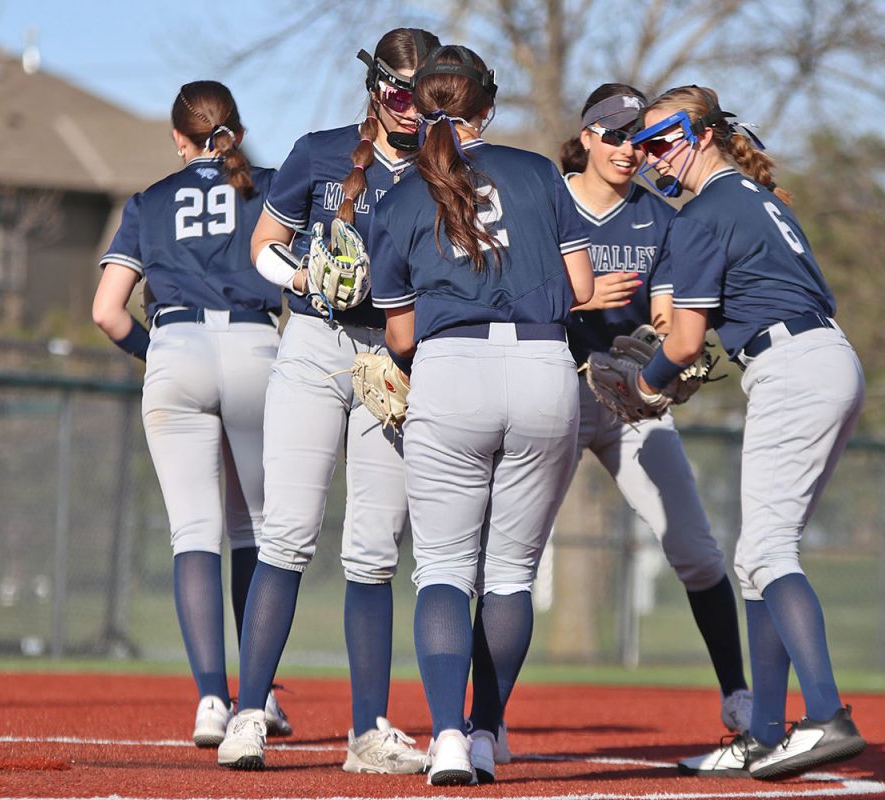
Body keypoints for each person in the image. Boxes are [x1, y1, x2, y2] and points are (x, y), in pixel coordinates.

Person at [368, 44, 594, 786]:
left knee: (441, 568)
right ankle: (491, 731)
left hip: (451, 368)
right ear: (487, 108)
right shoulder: (537, 172)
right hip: (542, 368)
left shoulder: (400, 195)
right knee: (510, 574)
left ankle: (450, 740)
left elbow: (399, 334)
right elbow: (582, 285)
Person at [215, 28, 440, 773]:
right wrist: (306, 277)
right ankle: (248, 714)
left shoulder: (450, 170)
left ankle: (367, 732)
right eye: (403, 93)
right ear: (376, 88)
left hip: (394, 356)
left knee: (374, 552)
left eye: (431, 95)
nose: (415, 110)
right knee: (288, 534)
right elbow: (264, 247)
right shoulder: (319, 151)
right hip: (314, 345)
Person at [628, 85, 867, 780]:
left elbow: (685, 342)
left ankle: (825, 715)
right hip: (822, 356)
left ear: (703, 133)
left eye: (660, 137)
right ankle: (763, 732)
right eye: (642, 145)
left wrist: (644, 388)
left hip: (791, 366)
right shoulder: (756, 198)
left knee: (765, 551)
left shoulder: (703, 211)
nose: (648, 155)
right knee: (759, 556)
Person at [92, 81, 291, 748]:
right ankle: (257, 699)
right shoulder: (267, 184)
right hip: (256, 346)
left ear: (180, 138)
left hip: (176, 346)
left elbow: (107, 311)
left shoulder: (149, 201)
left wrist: (159, 356)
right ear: (234, 127)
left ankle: (211, 698)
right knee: (259, 529)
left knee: (194, 532)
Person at [556, 83, 752, 731]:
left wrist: (675, 359)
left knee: (696, 548)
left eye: (638, 139)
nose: (626, 150)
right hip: (553, 387)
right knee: (507, 559)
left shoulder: (661, 214)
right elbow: (503, 300)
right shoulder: (546, 203)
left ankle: (737, 695)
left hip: (632, 397)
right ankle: (482, 722)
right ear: (586, 136)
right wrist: (578, 302)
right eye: (612, 135)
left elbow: (668, 316)